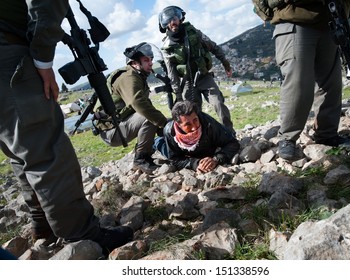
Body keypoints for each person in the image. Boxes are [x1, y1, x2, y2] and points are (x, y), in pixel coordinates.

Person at [0, 0, 132, 257]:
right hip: (7, 54)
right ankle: (83, 234)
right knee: (47, 149)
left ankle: (44, 225)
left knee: (18, 149)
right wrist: (42, 61)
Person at [253, 0, 350, 160]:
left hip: (330, 20)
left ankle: (327, 135)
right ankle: (288, 137)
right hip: (294, 19)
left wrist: (345, 9)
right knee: (298, 83)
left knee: (331, 83)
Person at [158, 6, 235, 136]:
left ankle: (229, 133)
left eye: (175, 18)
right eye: (169, 21)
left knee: (218, 103)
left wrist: (226, 64)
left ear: (180, 19)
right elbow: (172, 74)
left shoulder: (193, 33)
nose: (173, 22)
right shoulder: (167, 47)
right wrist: (178, 96)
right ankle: (201, 138)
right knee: (190, 113)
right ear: (165, 25)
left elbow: (213, 47)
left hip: (204, 77)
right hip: (188, 82)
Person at [94, 42, 167, 174]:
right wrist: (164, 123)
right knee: (148, 117)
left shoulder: (137, 76)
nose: (150, 63)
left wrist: (163, 124)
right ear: (135, 63)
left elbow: (147, 104)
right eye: (146, 60)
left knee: (154, 117)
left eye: (151, 60)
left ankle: (148, 153)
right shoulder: (129, 77)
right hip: (112, 131)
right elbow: (138, 103)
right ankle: (140, 160)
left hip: (119, 124)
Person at [155, 101, 240, 173]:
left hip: (206, 150)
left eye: (195, 120)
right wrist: (195, 164)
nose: (194, 127)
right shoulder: (169, 131)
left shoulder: (209, 124)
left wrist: (216, 159)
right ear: (178, 124)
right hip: (182, 151)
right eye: (187, 124)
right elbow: (174, 160)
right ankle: (155, 142)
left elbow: (233, 143)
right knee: (160, 145)